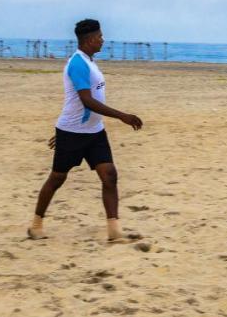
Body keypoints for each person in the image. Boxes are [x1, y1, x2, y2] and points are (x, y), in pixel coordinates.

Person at [28, 19, 143, 243]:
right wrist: (122, 116)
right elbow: (86, 101)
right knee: (57, 179)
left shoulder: (90, 62)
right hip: (72, 133)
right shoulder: (77, 64)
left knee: (109, 175)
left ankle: (114, 232)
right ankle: (35, 225)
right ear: (90, 39)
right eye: (100, 36)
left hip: (94, 132)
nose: (103, 40)